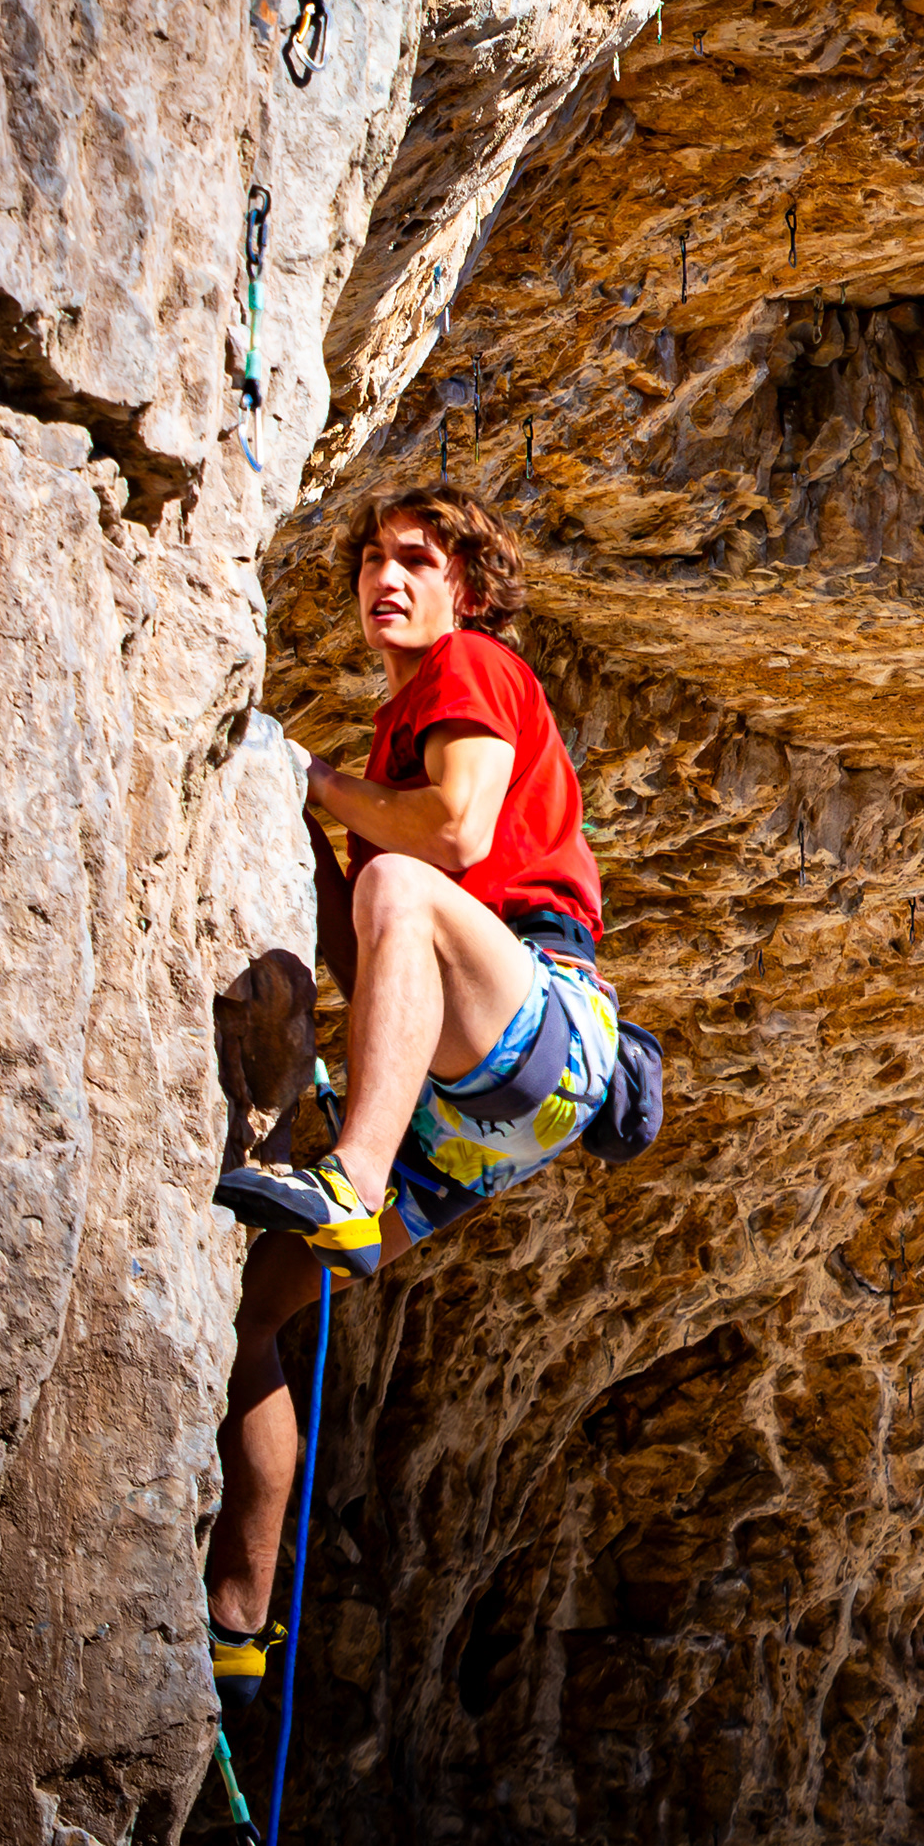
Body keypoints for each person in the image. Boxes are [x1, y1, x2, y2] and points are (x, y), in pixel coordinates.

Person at [202, 485, 622, 1702]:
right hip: (471, 1107)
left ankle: (353, 1177)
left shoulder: (472, 666)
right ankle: (238, 1625)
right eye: (373, 561)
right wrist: (309, 836)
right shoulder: (399, 743)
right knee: (252, 1315)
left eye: (418, 561)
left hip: (549, 1023)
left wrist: (317, 781)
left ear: (465, 591)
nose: (386, 579)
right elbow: (371, 966)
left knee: (399, 882)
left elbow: (456, 837)